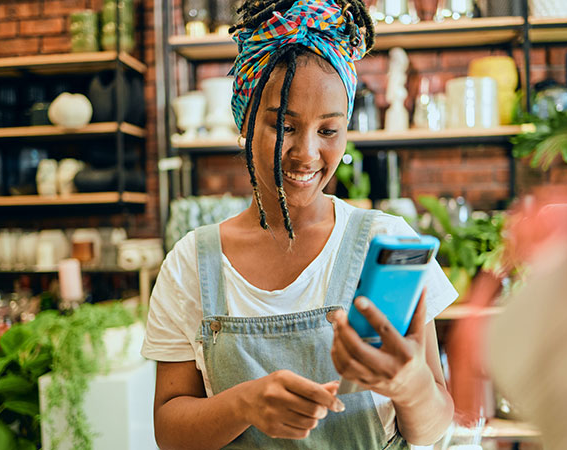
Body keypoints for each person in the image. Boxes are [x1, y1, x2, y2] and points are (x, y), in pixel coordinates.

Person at [141, 0, 457, 448]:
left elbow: (434, 424)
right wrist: (243, 404)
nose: (307, 154)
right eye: (284, 126)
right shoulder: (192, 263)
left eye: (328, 130)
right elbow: (170, 433)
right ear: (245, 122)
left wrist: (410, 384)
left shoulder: (386, 242)